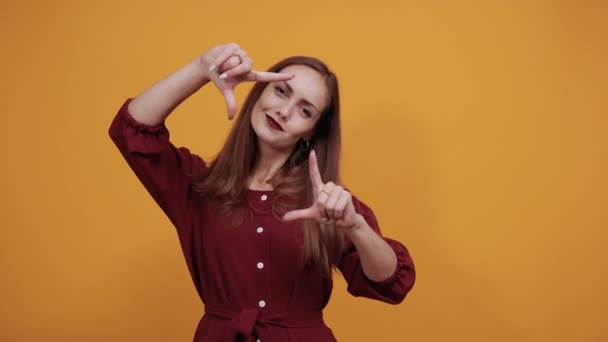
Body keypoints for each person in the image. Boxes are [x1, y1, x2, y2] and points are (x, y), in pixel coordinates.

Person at [109, 42, 415, 342]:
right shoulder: (200, 185)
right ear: (259, 89)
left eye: (305, 110)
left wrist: (356, 227)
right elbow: (131, 128)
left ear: (311, 132)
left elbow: (391, 284)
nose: (284, 111)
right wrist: (202, 68)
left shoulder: (327, 202)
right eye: (281, 91)